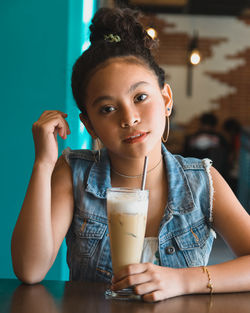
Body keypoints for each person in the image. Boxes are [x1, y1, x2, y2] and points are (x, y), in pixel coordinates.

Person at [11, 7, 250, 302]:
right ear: (90, 125)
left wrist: (183, 281)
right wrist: (43, 163)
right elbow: (29, 269)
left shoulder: (201, 181)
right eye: (108, 109)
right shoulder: (74, 174)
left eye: (140, 97)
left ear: (165, 99)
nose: (129, 118)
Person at [183, 113, 229, 179]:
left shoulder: (192, 137)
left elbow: (185, 155)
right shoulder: (220, 138)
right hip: (214, 173)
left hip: (194, 173)